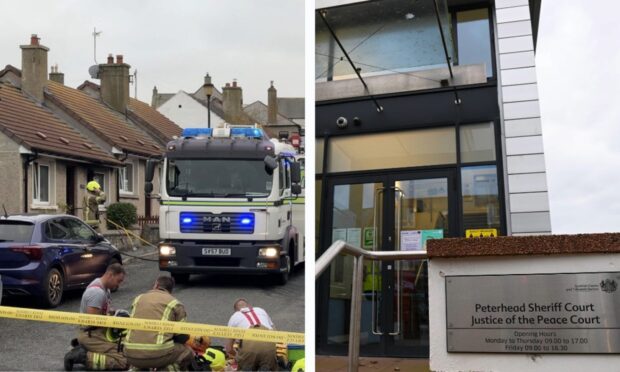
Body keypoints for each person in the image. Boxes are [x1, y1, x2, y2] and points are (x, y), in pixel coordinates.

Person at [64, 263, 127, 371]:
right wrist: (112, 320)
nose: (118, 285)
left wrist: (114, 313)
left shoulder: (104, 289)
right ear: (110, 275)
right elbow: (92, 321)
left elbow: (101, 312)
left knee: (125, 348)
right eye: (118, 281)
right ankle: (82, 356)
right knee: (123, 361)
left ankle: (85, 348)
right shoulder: (97, 292)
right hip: (91, 334)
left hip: (96, 332)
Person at [123, 275, 194, 371]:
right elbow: (182, 337)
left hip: (130, 353)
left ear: (156, 285)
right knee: (187, 351)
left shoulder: (138, 299)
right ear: (170, 290)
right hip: (157, 355)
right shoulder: (175, 303)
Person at [226, 298, 277, 371]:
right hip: (268, 344)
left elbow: (229, 348)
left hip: (249, 348)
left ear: (236, 310)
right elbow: (275, 332)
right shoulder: (260, 310)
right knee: (268, 366)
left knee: (246, 366)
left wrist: (238, 357)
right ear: (249, 306)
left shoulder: (234, 317)